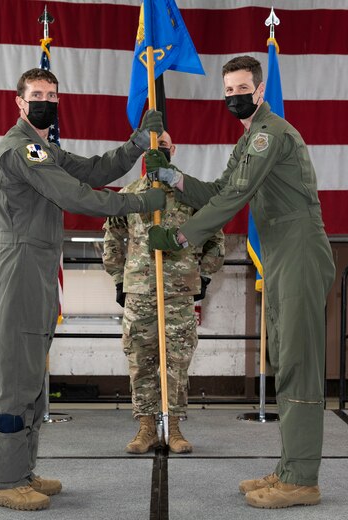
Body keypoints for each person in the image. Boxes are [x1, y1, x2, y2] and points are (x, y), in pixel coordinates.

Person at [146, 56, 335, 509]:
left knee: (299, 363)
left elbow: (235, 196)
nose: (234, 96)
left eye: (241, 87)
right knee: (287, 357)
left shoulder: (270, 134)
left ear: (261, 88)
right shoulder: (251, 138)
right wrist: (173, 176)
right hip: (282, 252)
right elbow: (217, 191)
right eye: (227, 89)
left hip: (300, 250)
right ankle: (291, 466)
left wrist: (179, 235)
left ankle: (302, 478)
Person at [0, 68, 166, 511]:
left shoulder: (45, 148)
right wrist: (136, 202)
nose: (46, 101)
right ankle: (4, 481)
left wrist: (136, 145)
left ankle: (21, 470)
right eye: (37, 95)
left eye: (52, 94)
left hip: (41, 263)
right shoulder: (22, 149)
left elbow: (92, 169)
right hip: (23, 262)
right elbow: (77, 195)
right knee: (16, 377)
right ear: (20, 103)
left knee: (33, 377)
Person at [102, 131, 225, 454]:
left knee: (177, 360)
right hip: (140, 292)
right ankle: (146, 427)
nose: (160, 151)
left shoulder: (190, 194)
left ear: (174, 150)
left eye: (165, 146)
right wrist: (118, 279)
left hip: (179, 293)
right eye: (155, 147)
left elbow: (216, 234)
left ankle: (174, 427)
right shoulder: (129, 195)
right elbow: (113, 239)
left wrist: (204, 275)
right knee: (141, 359)